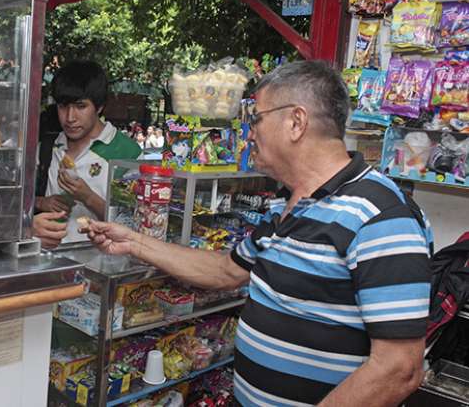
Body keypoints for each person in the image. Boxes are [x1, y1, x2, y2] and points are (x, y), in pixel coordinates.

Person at [84, 61, 432, 406]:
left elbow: (398, 369)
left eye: (257, 118)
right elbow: (227, 271)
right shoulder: (285, 202)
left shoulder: (381, 215)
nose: (249, 132)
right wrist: (134, 241)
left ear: (296, 122)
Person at [34, 60, 141, 245]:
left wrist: (88, 197)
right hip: (50, 263)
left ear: (99, 107)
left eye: (81, 106)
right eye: (63, 106)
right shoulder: (46, 148)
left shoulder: (128, 154)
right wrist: (40, 203)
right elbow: (15, 201)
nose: (70, 118)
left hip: (101, 266)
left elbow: (133, 225)